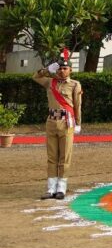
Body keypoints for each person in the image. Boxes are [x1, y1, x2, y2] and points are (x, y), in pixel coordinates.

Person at [32, 49, 82, 200]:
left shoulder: (74, 85)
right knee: (52, 156)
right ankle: (51, 188)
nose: (62, 71)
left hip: (67, 122)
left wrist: (78, 123)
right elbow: (35, 76)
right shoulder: (50, 82)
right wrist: (47, 69)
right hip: (51, 122)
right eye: (59, 68)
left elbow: (77, 105)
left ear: (70, 70)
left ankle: (61, 187)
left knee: (64, 156)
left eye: (65, 68)